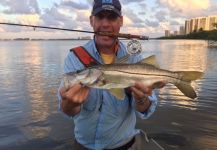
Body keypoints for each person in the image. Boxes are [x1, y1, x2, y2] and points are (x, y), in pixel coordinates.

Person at [58, 0, 165, 149]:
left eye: (112, 17)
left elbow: (146, 109)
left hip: (123, 145)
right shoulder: (75, 57)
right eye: (100, 16)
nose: (105, 24)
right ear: (91, 21)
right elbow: (67, 110)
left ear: (120, 21)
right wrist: (70, 104)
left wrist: (141, 99)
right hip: (83, 145)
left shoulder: (133, 57)